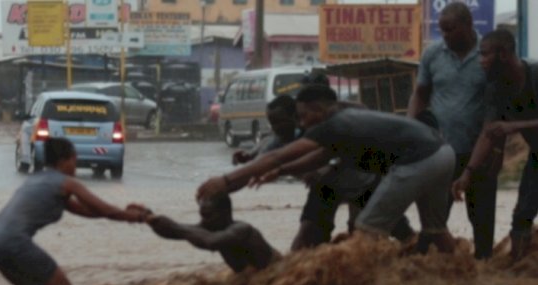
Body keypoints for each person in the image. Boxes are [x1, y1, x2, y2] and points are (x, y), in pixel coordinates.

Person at [197, 84, 458, 253]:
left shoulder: (334, 124)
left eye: (302, 116)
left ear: (318, 110)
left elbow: (277, 156)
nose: (301, 123)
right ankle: (466, 276)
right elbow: (321, 157)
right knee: (435, 229)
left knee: (366, 230)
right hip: (443, 154)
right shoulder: (348, 120)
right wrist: (280, 172)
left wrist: (225, 180)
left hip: (416, 162)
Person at [0, 137, 148, 285]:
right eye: (74, 159)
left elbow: (90, 211)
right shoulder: (66, 183)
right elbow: (105, 210)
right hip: (14, 242)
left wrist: (124, 213)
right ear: (65, 160)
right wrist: (137, 217)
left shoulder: (37, 180)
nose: (76, 165)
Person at [407, 2, 495, 259]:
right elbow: (420, 94)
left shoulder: (487, 55)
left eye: (450, 30)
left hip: (479, 151)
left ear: (468, 26)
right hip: (440, 152)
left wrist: (498, 150)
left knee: (482, 218)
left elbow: (499, 106)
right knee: (433, 219)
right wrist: (411, 128)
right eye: (441, 30)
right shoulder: (433, 54)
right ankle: (428, 273)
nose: (444, 35)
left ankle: (484, 272)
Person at [452, 29, 538, 262]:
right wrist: (467, 173)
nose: (480, 62)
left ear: (502, 55)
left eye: (484, 55)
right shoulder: (497, 88)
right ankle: (518, 275)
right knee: (521, 216)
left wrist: (515, 126)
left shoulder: (535, 74)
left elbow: (508, 128)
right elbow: (487, 133)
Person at [146, 194, 281, 273]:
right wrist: (150, 219)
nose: (203, 222)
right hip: (250, 278)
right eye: (202, 215)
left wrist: (177, 228)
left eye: (208, 216)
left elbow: (211, 242)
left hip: (276, 273)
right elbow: (174, 232)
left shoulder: (241, 230)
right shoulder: (210, 228)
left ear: (225, 212)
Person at [232, 94, 298, 166]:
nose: (274, 127)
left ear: (295, 118)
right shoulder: (268, 141)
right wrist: (245, 157)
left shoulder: (302, 143)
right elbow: (254, 158)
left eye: (279, 122)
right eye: (272, 123)